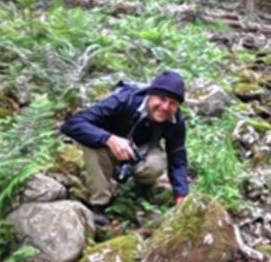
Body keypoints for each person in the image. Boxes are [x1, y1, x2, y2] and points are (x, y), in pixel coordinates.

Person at [61, 70, 188, 206]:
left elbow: (177, 157)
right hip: (107, 146)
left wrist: (181, 193)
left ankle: (143, 186)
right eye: (162, 99)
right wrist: (109, 139)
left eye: (172, 103)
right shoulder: (124, 99)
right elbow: (72, 124)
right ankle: (100, 202)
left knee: (155, 164)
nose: (165, 107)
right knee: (89, 144)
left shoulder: (176, 122)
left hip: (141, 149)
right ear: (150, 94)